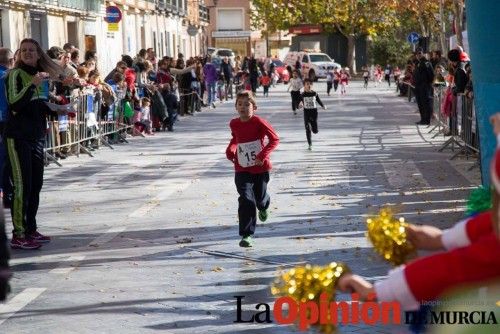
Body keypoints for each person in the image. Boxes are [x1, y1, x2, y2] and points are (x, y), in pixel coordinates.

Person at [5, 38, 65, 249]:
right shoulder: (15, 75)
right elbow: (15, 104)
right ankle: (19, 234)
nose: (28, 53)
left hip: (37, 136)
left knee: (36, 185)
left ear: (39, 54)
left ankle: (31, 229)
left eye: (32, 50)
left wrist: (57, 109)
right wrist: (32, 85)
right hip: (18, 137)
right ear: (19, 55)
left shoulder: (39, 77)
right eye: (24, 50)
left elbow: (37, 106)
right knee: (22, 186)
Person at [225, 91, 279, 248]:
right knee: (246, 199)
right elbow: (235, 139)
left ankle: (263, 205)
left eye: (247, 104)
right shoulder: (234, 123)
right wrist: (231, 149)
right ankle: (247, 234)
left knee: (260, 199)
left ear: (254, 107)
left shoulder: (259, 122)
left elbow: (274, 139)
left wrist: (262, 155)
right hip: (241, 167)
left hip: (260, 167)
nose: (243, 107)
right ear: (236, 107)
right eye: (240, 104)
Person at [0, 48, 15, 207]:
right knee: (7, 159)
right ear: (11, 61)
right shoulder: (9, 76)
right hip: (6, 120)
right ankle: (8, 195)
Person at [298, 79, 326, 150]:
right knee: (308, 129)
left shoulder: (314, 93)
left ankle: (315, 129)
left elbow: (319, 100)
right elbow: (300, 102)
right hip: (306, 113)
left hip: (314, 113)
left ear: (312, 85)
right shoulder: (302, 94)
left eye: (310, 84)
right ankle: (310, 144)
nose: (309, 85)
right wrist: (300, 104)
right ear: (304, 86)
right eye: (307, 84)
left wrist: (323, 106)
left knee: (315, 131)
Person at [413, 48, 435, 125]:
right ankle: (422, 119)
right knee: (420, 103)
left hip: (425, 87)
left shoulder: (427, 63)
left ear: (422, 53)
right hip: (418, 87)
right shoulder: (417, 63)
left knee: (425, 103)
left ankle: (426, 120)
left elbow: (431, 75)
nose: (418, 55)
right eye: (416, 54)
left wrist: (427, 83)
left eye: (419, 53)